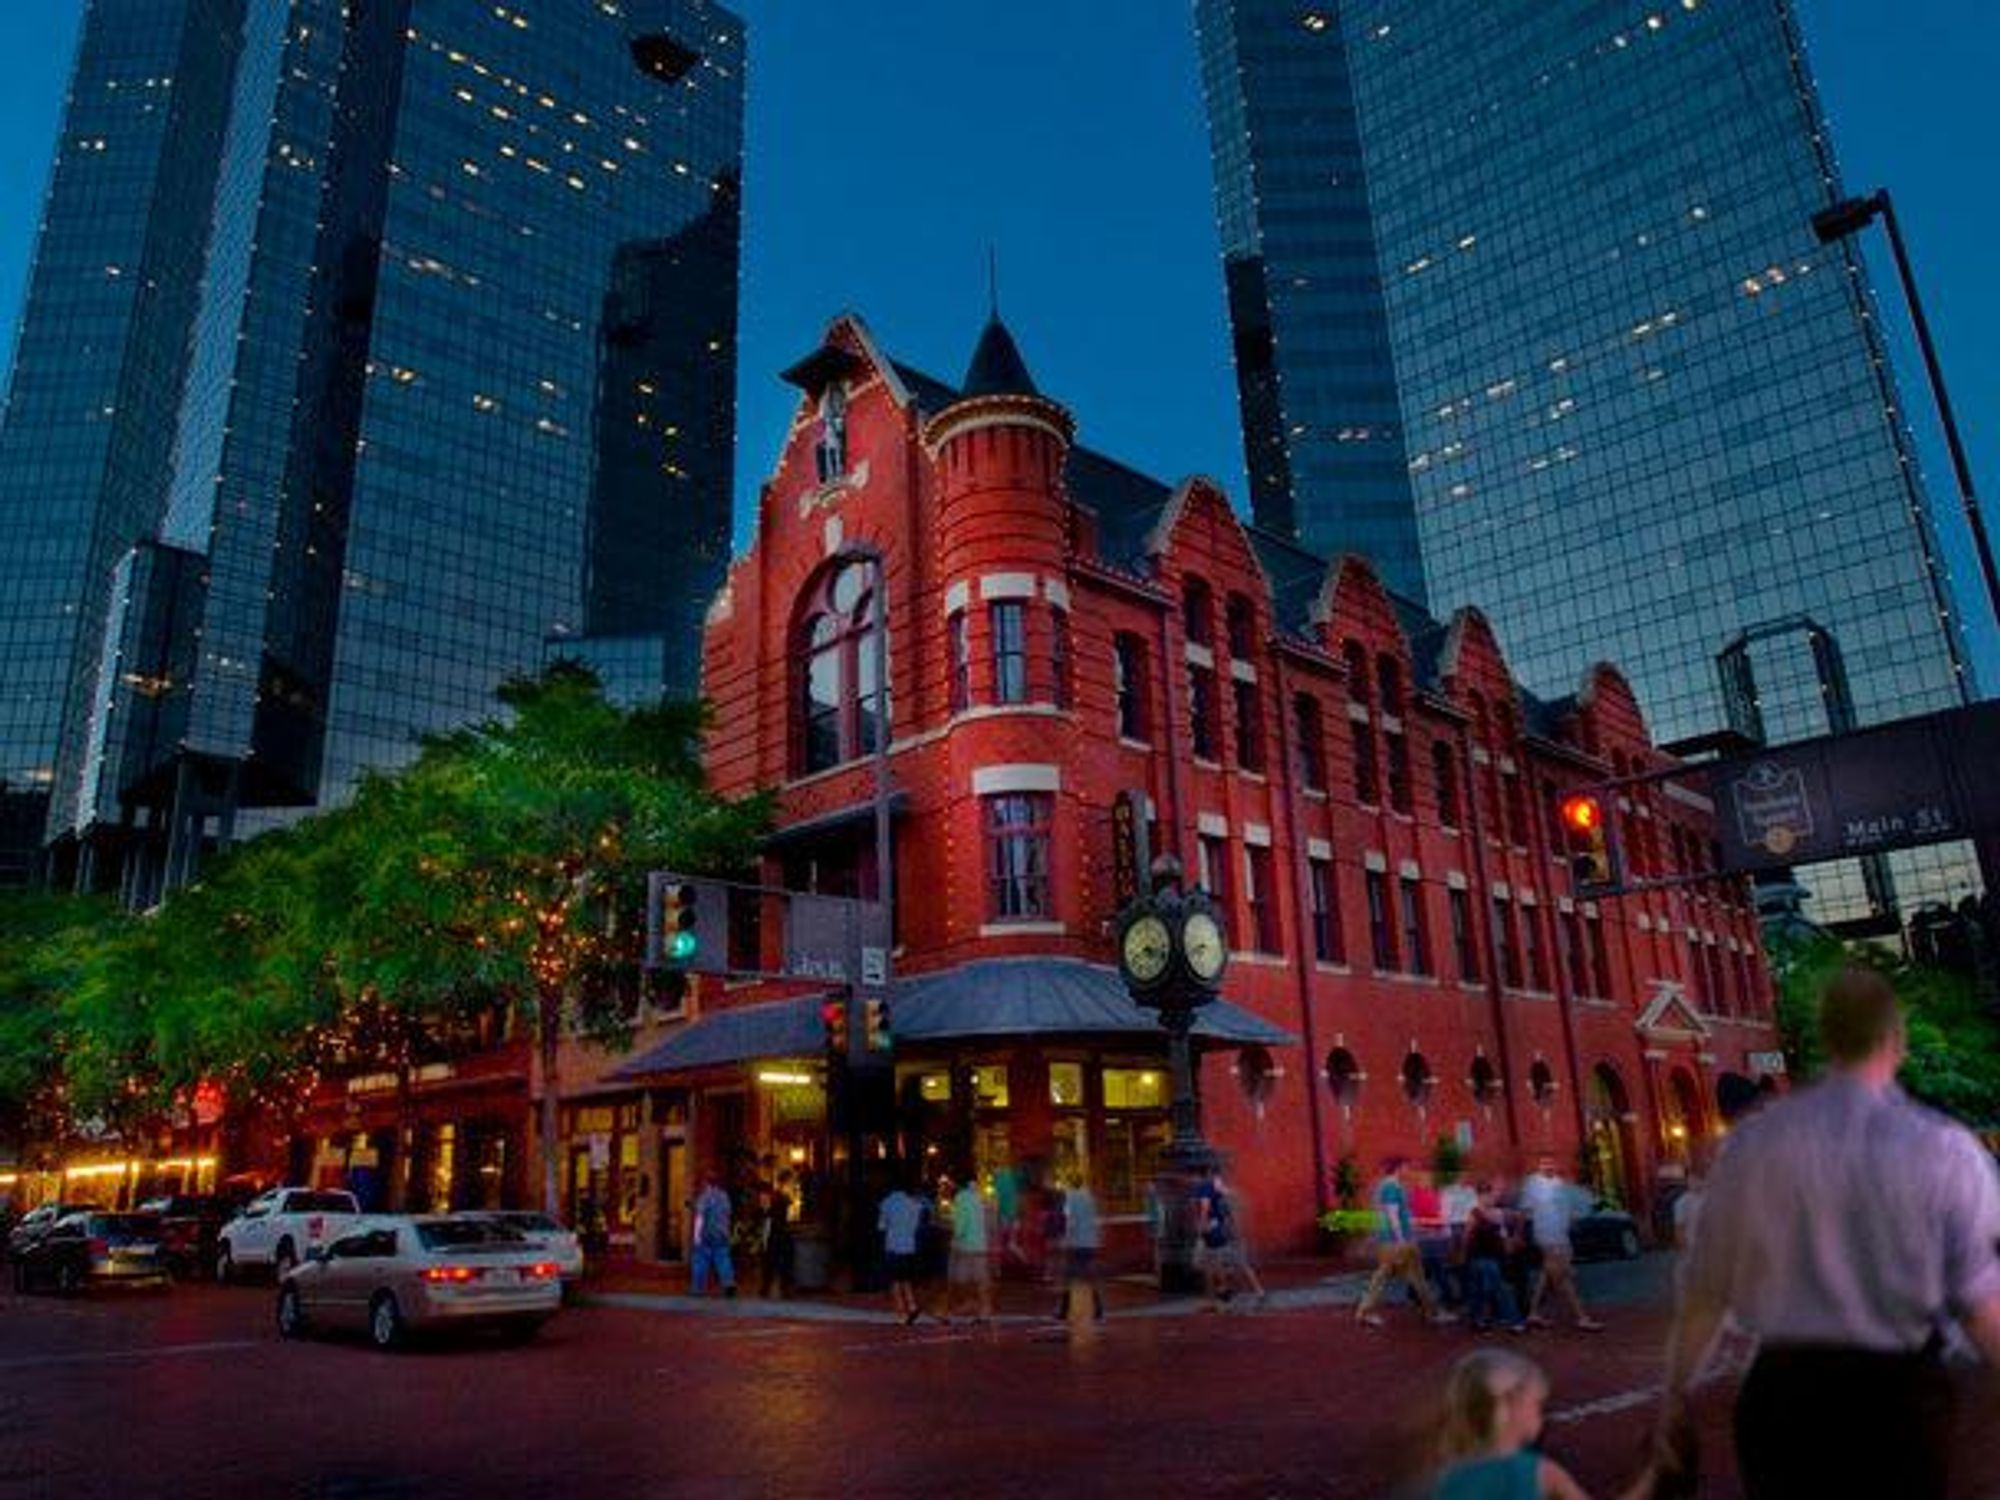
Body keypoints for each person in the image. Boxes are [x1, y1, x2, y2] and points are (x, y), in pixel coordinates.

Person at [1650, 967, 2000, 1499]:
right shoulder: (1944, 1147)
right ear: (1896, 1040)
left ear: (1829, 1039)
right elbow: (1979, 1303)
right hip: (1899, 1397)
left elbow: (1705, 1294)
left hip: (1784, 1393)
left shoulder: (1753, 1146)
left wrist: (1674, 1396)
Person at [1429, 1350, 1643, 1500]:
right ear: (1509, 1412)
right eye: (1538, 1405)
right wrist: (1651, 1478)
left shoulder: (1450, 1476)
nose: (1543, 1414)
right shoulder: (1541, 1472)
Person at [1356, 1157, 1452, 1328]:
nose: (1409, 1172)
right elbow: (1393, 1215)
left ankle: (1431, 1312)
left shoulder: (1386, 1186)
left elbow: (1400, 1215)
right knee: (1400, 1277)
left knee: (1407, 1277)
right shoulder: (1392, 1187)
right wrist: (1402, 1239)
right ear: (1399, 1168)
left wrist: (1420, 1227)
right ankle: (1431, 1313)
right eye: (1407, 1168)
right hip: (1398, 1242)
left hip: (1392, 1241)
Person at [1520, 1155, 1603, 1332]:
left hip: (1561, 1235)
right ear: (1538, 1166)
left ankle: (1533, 1313)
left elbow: (1568, 1209)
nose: (1548, 1166)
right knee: (1563, 1276)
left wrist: (1570, 1220)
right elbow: (1525, 1211)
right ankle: (1582, 1317)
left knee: (1548, 1274)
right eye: (1544, 1163)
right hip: (1546, 1235)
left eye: (1551, 1163)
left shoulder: (1560, 1183)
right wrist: (1522, 1231)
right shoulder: (1532, 1183)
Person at [1193, 1164, 1267, 1310]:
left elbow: (1205, 1207)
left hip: (1214, 1231)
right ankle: (1248, 1291)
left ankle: (1219, 1296)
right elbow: (1232, 1203)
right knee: (1229, 1261)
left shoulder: (1204, 1186)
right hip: (1226, 1229)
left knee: (1211, 1264)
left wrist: (1201, 1228)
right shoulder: (1219, 1187)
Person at [1463, 1181, 1526, 1334]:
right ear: (1478, 1197)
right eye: (1484, 1195)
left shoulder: (1499, 1212)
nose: (1488, 1199)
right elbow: (1467, 1237)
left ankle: (1512, 1321)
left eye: (1489, 1195)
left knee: (1499, 1289)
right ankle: (1481, 1321)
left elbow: (1520, 1217)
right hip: (1478, 1257)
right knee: (1481, 1291)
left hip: (1494, 1258)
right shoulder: (1474, 1213)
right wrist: (1464, 1254)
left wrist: (1515, 1237)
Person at [877, 1178, 930, 1325]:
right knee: (906, 1279)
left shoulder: (886, 1203)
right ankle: (912, 1306)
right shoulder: (914, 1204)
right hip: (909, 1246)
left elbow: (881, 1226)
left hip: (893, 1246)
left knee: (894, 1282)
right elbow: (921, 1221)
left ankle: (901, 1315)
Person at [1055, 1176, 1104, 1323]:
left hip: (1076, 1243)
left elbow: (1070, 1221)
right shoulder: (1090, 1197)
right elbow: (1095, 1218)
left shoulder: (1069, 1198)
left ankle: (1064, 1311)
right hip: (1090, 1243)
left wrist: (1065, 1240)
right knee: (1088, 1276)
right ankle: (1097, 1309)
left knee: (1069, 1277)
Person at [946, 1174, 993, 1323]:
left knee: (960, 1277)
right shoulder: (979, 1196)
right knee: (980, 1277)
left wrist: (954, 1238)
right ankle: (983, 1308)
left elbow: (961, 1223)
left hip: (966, 1244)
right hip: (981, 1242)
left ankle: (972, 1303)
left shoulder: (961, 1197)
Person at [690, 1172, 737, 1298]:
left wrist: (696, 1236)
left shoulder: (704, 1197)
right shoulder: (725, 1197)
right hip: (722, 1234)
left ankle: (698, 1289)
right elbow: (728, 1216)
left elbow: (700, 1217)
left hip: (707, 1234)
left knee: (700, 1261)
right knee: (723, 1260)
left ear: (706, 1183)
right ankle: (729, 1284)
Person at [758, 1168, 794, 1299]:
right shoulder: (782, 1196)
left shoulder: (774, 1196)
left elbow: (765, 1214)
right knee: (782, 1261)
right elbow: (768, 1215)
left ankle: (766, 1288)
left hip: (775, 1231)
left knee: (771, 1261)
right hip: (780, 1231)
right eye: (790, 1181)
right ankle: (783, 1288)